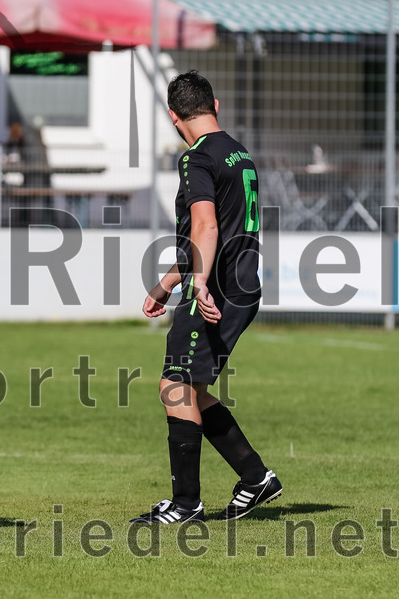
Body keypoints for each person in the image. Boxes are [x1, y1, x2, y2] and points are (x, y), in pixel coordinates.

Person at [131, 70, 281, 524]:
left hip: (215, 289)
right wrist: (167, 282)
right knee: (192, 390)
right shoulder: (238, 152)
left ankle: (185, 504)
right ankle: (256, 479)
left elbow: (207, 227)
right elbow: (225, 230)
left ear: (175, 117)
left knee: (174, 386)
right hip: (239, 283)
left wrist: (196, 283)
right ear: (215, 107)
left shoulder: (195, 158)